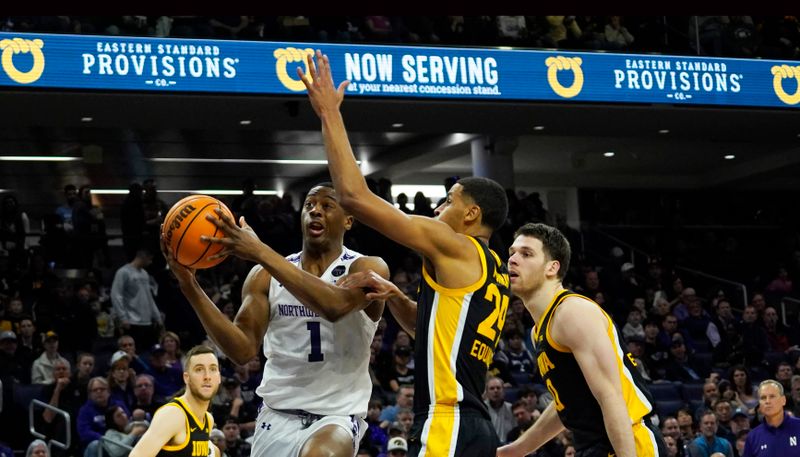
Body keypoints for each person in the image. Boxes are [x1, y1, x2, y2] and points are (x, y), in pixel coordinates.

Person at [300, 50, 512, 457]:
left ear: (471, 214)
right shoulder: (493, 268)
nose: (437, 210)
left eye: (448, 201)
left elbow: (353, 196)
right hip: (476, 426)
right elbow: (432, 332)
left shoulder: (455, 244)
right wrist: (396, 296)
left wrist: (329, 114)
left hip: (447, 421)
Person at [165, 181, 390, 457]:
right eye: (309, 205)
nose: (315, 211)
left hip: (337, 417)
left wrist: (260, 250)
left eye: (327, 205)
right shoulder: (263, 275)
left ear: (348, 221)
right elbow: (241, 350)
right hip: (277, 415)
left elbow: (334, 306)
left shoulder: (368, 268)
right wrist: (191, 287)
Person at [497, 223, 666, 457]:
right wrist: (516, 450)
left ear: (552, 268)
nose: (513, 260)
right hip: (592, 446)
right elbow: (567, 403)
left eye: (526, 254)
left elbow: (611, 396)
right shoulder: (540, 331)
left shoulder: (572, 311)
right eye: (512, 253)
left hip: (627, 443)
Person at [128, 345, 221, 457]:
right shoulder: (173, 415)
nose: (207, 376)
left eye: (213, 369)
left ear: (219, 378)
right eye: (199, 369)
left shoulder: (208, 420)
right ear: (186, 378)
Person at [110, 249, 163, 350]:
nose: (150, 262)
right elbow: (116, 295)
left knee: (149, 352)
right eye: (150, 259)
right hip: (132, 321)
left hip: (147, 321)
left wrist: (157, 316)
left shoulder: (144, 274)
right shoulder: (123, 272)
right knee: (133, 352)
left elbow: (149, 297)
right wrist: (123, 317)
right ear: (143, 257)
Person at [742, 379, 800, 457]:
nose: (767, 401)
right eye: (763, 398)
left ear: (783, 400)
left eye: (772, 396)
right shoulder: (753, 437)